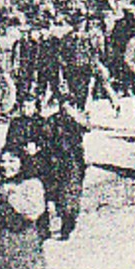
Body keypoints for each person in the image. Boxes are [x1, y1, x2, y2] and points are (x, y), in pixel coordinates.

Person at [0, 147, 51, 269]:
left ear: (22, 162)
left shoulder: (32, 184)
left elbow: (33, 213)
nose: (6, 166)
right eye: (3, 161)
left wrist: (11, 197)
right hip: (2, 241)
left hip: (24, 241)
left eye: (11, 161)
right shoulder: (0, 185)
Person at [43, 97, 89, 239]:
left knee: (71, 193)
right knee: (57, 192)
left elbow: (87, 127)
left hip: (74, 160)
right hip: (56, 160)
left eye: (69, 106)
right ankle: (63, 220)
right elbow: (46, 136)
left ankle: (67, 224)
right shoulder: (52, 120)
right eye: (64, 106)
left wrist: (75, 117)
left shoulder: (78, 118)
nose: (65, 109)